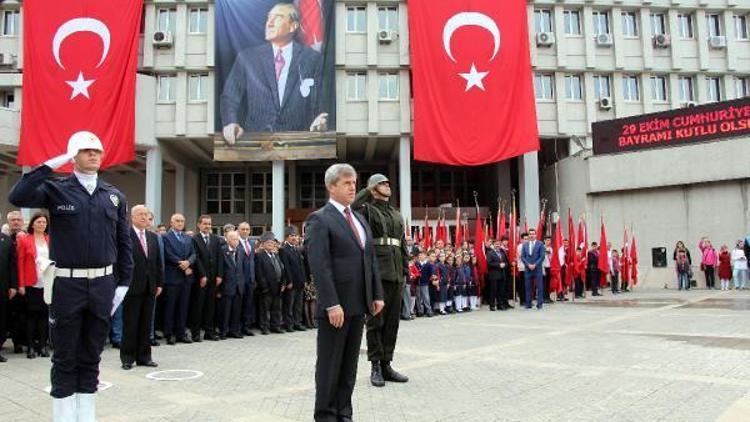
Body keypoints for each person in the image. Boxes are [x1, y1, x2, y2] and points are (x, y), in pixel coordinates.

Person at [8, 131, 133, 421]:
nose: (93, 155)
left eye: (97, 151)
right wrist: (54, 163)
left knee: (92, 355)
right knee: (65, 356)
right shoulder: (56, 189)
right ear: (73, 155)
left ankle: (86, 416)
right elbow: (18, 195)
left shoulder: (114, 196)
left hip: (103, 284)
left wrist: (124, 283)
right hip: (67, 284)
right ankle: (64, 417)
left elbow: (124, 243)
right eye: (85, 150)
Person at [304, 163, 384, 422]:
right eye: (347, 183)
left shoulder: (359, 218)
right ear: (331, 186)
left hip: (358, 305)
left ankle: (344, 414)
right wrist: (330, 304)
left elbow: (369, 259)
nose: (353, 187)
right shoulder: (320, 219)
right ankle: (326, 416)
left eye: (354, 182)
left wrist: (376, 293)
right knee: (330, 366)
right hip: (335, 309)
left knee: (349, 367)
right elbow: (319, 265)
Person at [220, 2, 328, 142]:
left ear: (293, 26)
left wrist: (322, 120)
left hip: (298, 143)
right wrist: (230, 123)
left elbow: (320, 103)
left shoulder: (313, 59)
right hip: (256, 145)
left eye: (277, 17)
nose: (269, 23)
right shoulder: (247, 58)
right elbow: (229, 97)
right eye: (268, 17)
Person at [351, 173, 409, 387]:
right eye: (382, 183)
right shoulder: (367, 209)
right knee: (376, 320)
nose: (387, 185)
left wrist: (405, 270)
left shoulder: (396, 214)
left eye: (388, 182)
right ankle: (375, 365)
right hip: (377, 272)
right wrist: (368, 190)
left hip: (395, 274)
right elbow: (353, 206)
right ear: (374, 187)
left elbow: (402, 244)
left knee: (392, 321)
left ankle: (387, 364)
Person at [121, 205, 162, 370]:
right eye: (141, 215)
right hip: (132, 286)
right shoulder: (125, 236)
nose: (145, 217)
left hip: (150, 286)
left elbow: (158, 263)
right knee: (131, 323)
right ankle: (127, 358)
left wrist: (159, 283)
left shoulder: (152, 237)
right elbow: (120, 262)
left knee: (146, 323)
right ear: (133, 217)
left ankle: (144, 357)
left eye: (147, 214)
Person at [15, 212, 51, 359]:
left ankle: (42, 345)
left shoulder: (50, 239)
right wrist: (21, 284)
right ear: (33, 224)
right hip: (31, 282)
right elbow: (20, 263)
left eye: (44, 222)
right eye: (39, 222)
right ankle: (30, 346)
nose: (41, 225)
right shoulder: (25, 240)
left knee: (44, 315)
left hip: (47, 281)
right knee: (31, 315)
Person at [162, 214, 198, 345]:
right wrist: (180, 263)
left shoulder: (187, 237)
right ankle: (169, 333)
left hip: (186, 278)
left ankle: (181, 332)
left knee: (183, 307)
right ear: (171, 222)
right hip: (172, 277)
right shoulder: (165, 237)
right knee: (171, 307)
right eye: (177, 221)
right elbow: (167, 253)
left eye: (182, 221)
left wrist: (188, 262)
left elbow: (194, 253)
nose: (180, 223)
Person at [190, 215, 224, 342]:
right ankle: (195, 333)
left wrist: (220, 275)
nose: (207, 226)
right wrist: (202, 275)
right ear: (199, 224)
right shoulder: (194, 239)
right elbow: (196, 258)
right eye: (205, 224)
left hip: (213, 277)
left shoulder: (215, 239)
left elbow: (220, 257)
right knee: (198, 306)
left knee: (211, 306)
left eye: (209, 224)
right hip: (201, 278)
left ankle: (209, 332)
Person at [255, 232, 286, 334]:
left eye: (272, 243)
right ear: (263, 244)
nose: (271, 244)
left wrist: (283, 283)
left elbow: (281, 269)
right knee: (265, 309)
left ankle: (275, 326)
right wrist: (264, 286)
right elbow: (259, 273)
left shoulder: (276, 255)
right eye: (268, 243)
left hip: (277, 286)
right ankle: (264, 327)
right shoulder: (260, 256)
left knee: (276, 308)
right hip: (267, 287)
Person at [279, 225, 308, 332]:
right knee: (289, 305)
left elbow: (302, 266)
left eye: (296, 236)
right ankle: (289, 324)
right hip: (291, 282)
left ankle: (297, 322)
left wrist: (304, 280)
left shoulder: (297, 249)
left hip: (300, 281)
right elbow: (286, 267)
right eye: (292, 236)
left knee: (298, 304)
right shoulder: (283, 250)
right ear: (287, 237)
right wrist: (289, 281)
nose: (295, 238)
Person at [218, 231, 246, 339]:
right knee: (225, 311)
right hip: (226, 286)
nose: (236, 241)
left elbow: (242, 268)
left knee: (236, 311)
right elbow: (220, 269)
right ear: (228, 240)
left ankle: (234, 330)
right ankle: (223, 331)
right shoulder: (222, 251)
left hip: (239, 286)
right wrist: (219, 289)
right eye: (234, 239)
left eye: (237, 239)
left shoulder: (240, 251)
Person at [0, 220, 17, 363]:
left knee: (2, 319)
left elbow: (12, 264)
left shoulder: (6, 240)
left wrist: (13, 285)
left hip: (3, 287)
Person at [236, 222, 257, 335]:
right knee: (239, 305)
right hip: (240, 279)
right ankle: (238, 327)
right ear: (238, 230)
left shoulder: (251, 243)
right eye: (243, 229)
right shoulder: (236, 242)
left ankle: (246, 326)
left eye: (247, 229)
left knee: (248, 304)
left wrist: (254, 278)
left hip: (250, 279)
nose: (245, 231)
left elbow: (253, 261)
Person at [521, 228, 545, 309]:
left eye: (533, 234)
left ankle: (539, 304)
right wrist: (528, 265)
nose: (531, 235)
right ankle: (528, 303)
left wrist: (535, 264)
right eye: (530, 234)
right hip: (528, 269)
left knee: (539, 287)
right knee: (528, 287)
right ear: (528, 235)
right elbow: (522, 257)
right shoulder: (525, 245)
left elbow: (542, 257)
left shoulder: (540, 244)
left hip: (537, 268)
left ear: (535, 235)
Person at [418, 251, 436, 317]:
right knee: (419, 298)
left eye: (422, 255)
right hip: (417, 283)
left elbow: (432, 274)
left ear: (425, 256)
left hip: (425, 283)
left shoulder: (428, 264)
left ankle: (429, 310)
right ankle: (420, 311)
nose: (420, 256)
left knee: (426, 297)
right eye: (419, 255)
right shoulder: (417, 263)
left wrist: (433, 279)